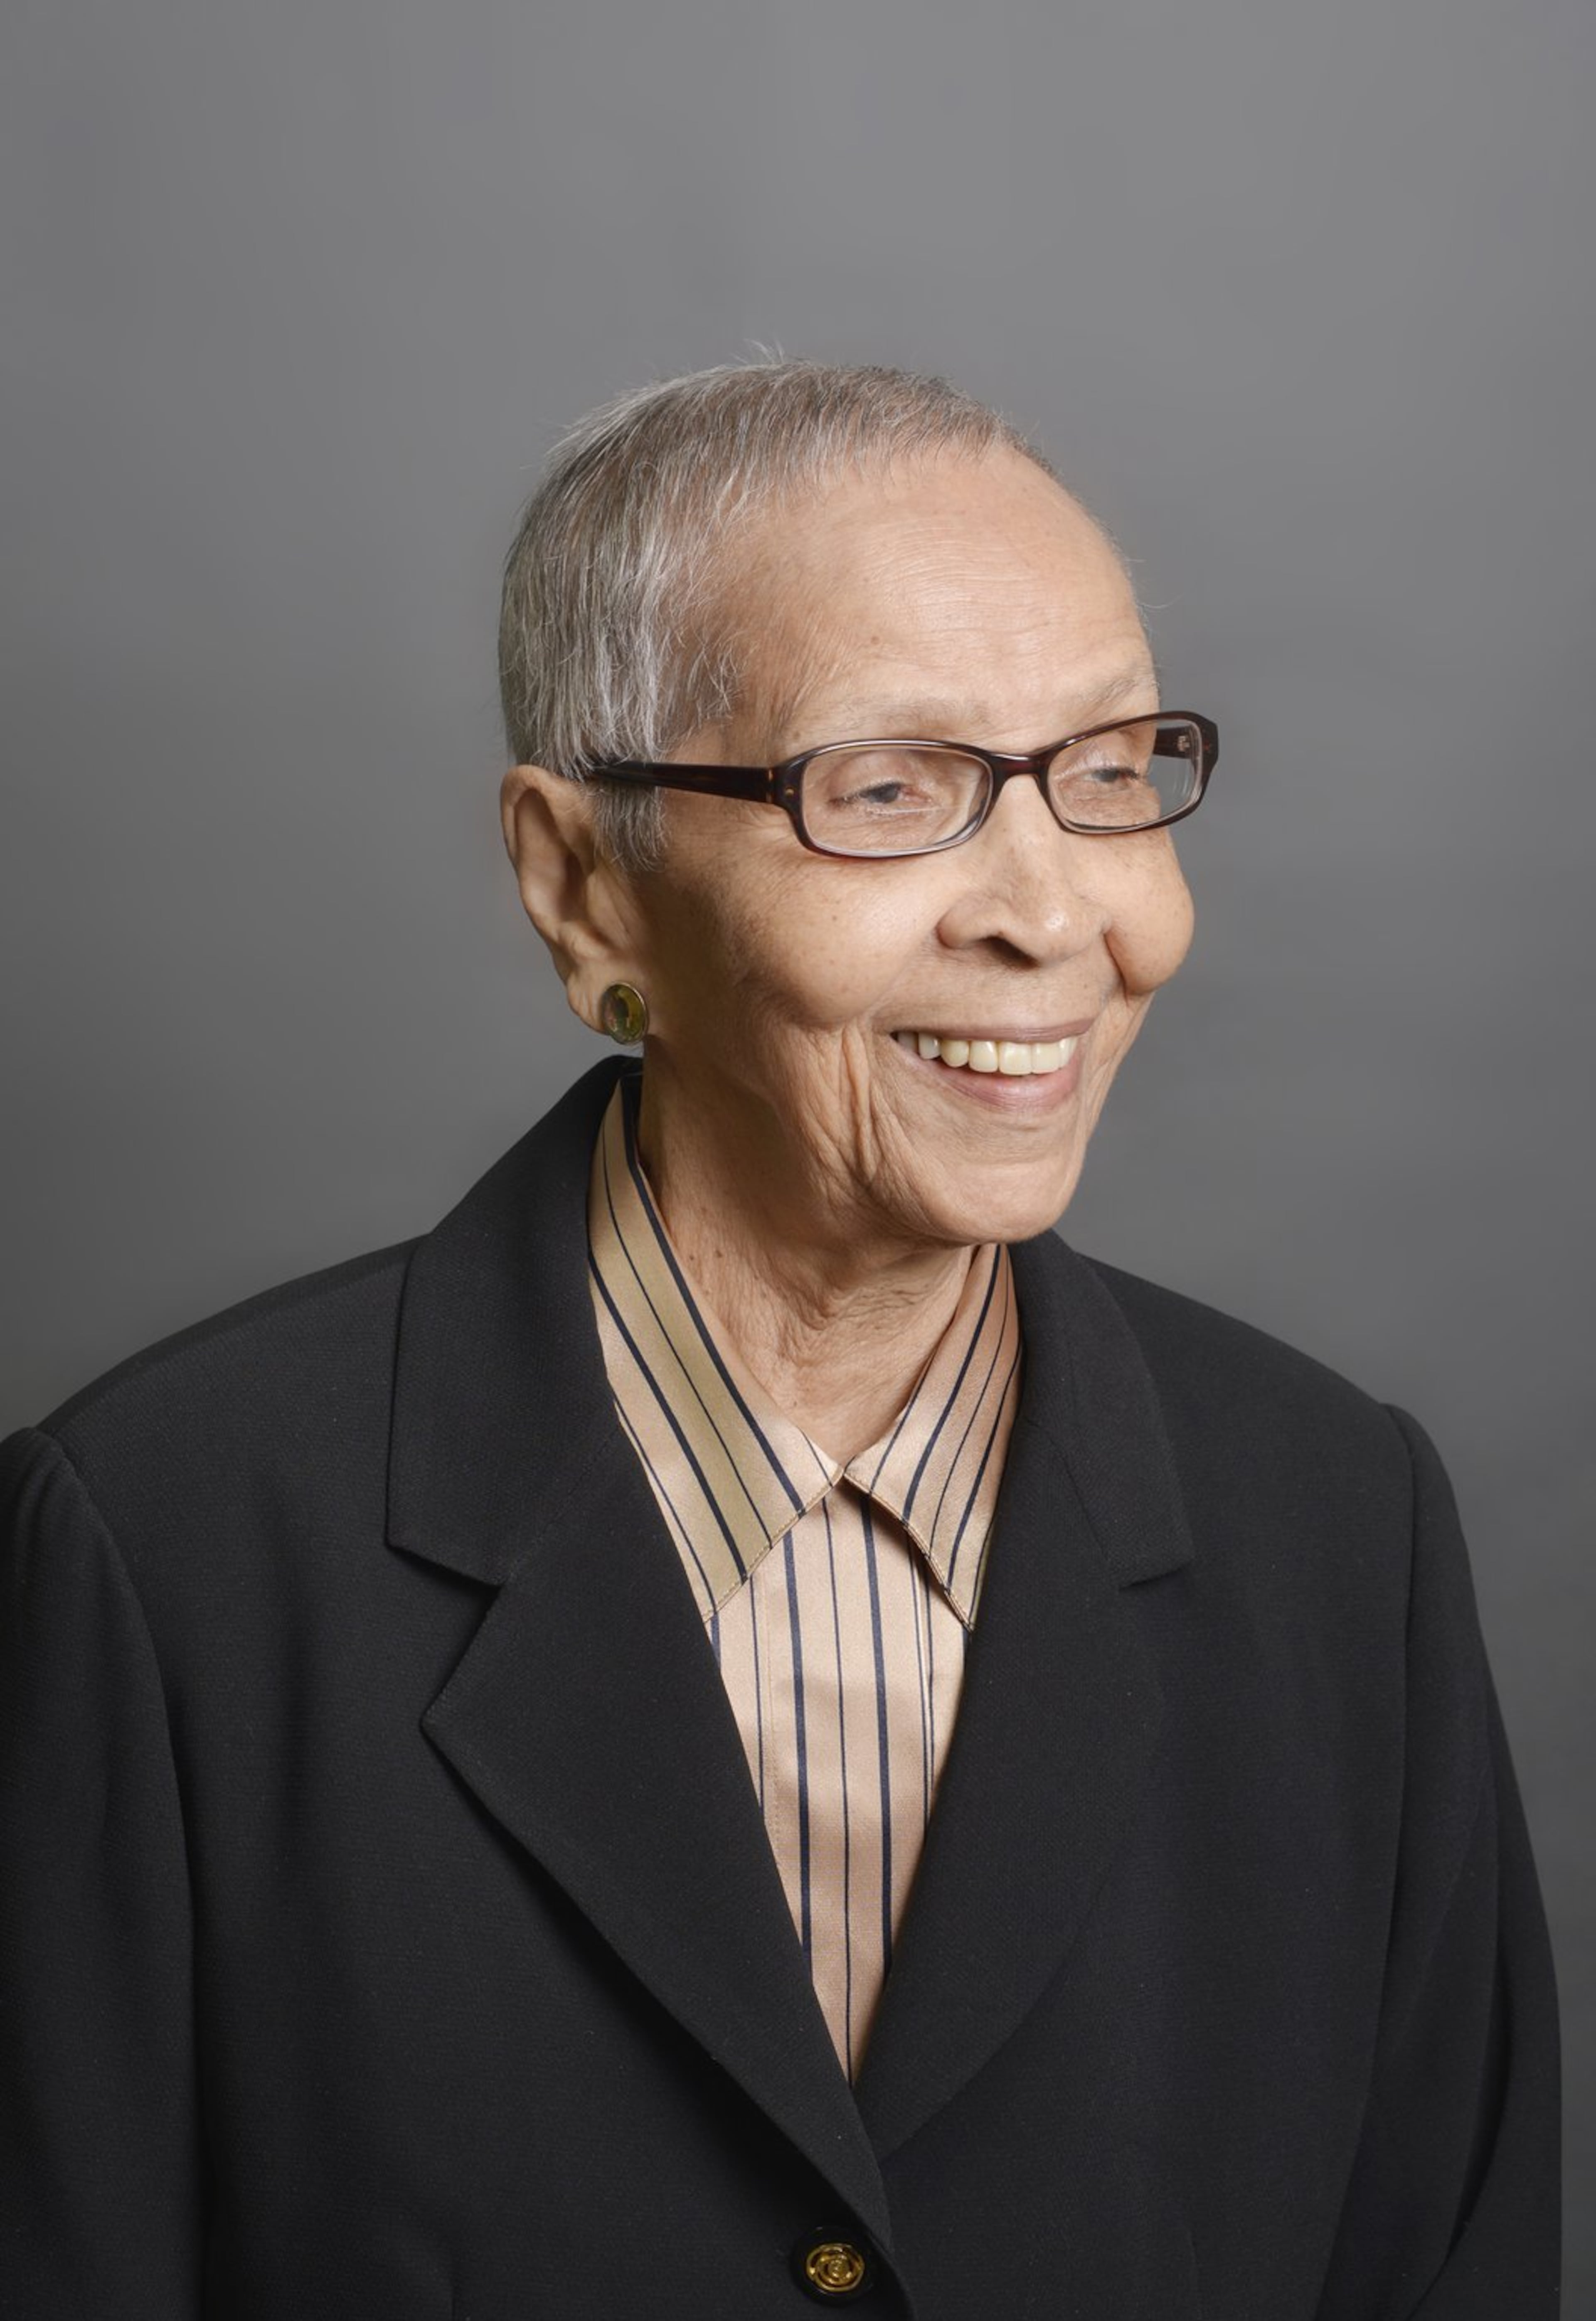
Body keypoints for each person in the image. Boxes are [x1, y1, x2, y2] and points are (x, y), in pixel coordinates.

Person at [0, 359, 1560, 2319]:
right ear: (586, 888)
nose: (1054, 914)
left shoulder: (1346, 1536)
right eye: (891, 788)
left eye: (1110, 766)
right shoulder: (158, 1558)